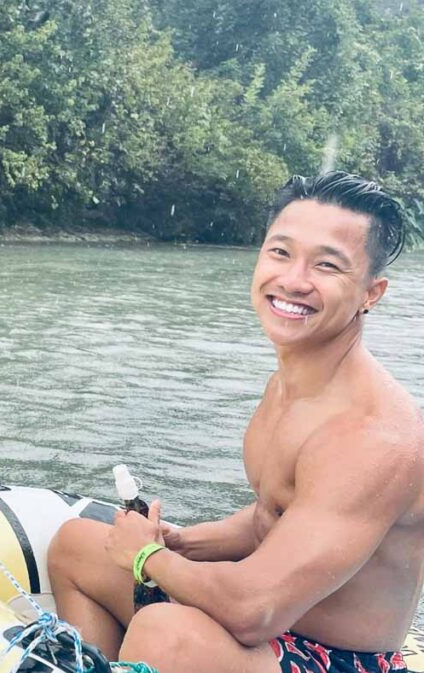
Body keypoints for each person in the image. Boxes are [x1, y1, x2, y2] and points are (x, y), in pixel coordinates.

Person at [48, 172, 420, 673]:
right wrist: (180, 544)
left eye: (327, 265)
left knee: (167, 634)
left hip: (336, 659)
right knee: (78, 546)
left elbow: (253, 611)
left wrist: (147, 559)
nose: (293, 280)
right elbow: (273, 514)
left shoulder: (372, 436)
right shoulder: (290, 385)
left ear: (371, 292)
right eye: (281, 252)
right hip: (268, 631)